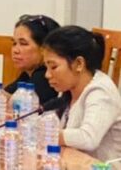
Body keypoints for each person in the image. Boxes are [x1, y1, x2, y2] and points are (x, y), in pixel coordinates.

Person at [43, 25, 121, 162]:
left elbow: (88, 138)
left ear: (79, 64)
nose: (47, 75)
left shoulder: (101, 92)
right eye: (46, 67)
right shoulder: (69, 89)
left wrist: (47, 134)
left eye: (53, 67)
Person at [4, 14, 60, 104]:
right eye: (14, 43)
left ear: (44, 48)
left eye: (23, 44)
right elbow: (4, 95)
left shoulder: (45, 78)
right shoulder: (27, 75)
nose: (15, 50)